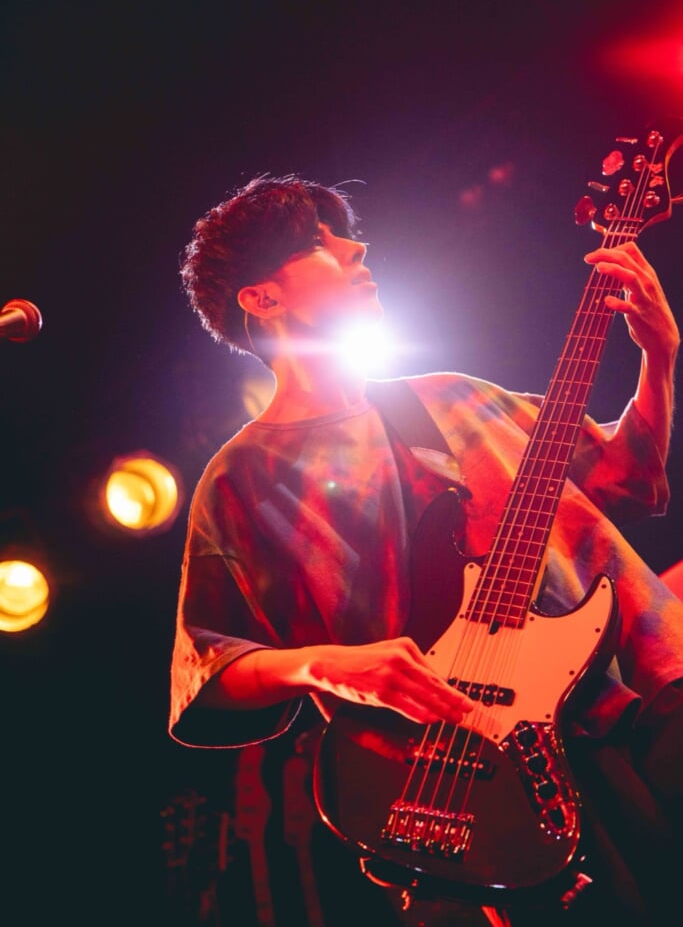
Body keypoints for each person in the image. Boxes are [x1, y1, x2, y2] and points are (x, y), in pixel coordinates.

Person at [169, 175, 683, 926]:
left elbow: (622, 476)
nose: (357, 249)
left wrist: (660, 358)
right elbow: (209, 667)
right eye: (320, 243)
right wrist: (328, 666)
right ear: (262, 298)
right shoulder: (242, 477)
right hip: (479, 776)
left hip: (648, 696)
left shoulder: (453, 396)